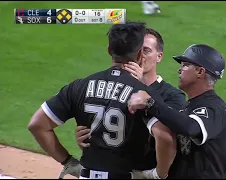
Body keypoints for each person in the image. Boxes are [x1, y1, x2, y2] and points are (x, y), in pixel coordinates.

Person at [27, 21, 175, 179]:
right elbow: (165, 137)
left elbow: (37, 125)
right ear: (139, 54)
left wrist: (68, 161)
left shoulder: (80, 86)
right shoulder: (145, 95)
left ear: (109, 50)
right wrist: (159, 174)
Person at [75, 27, 186, 178]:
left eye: (146, 50)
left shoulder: (173, 96)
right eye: (139, 50)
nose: (140, 56)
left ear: (159, 56)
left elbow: (167, 135)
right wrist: (89, 138)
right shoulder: (112, 87)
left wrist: (141, 86)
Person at [127, 44, 226, 179]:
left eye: (185, 65)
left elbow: (190, 127)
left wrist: (150, 103)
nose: (179, 70)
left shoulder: (214, 107)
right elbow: (171, 123)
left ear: (200, 71)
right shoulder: (191, 105)